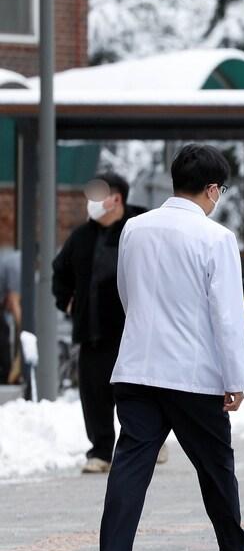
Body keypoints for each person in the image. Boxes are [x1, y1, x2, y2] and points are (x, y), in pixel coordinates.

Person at [92, 145, 244, 551]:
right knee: (215, 466)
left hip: (138, 366)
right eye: (219, 190)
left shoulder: (134, 230)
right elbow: (226, 315)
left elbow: (127, 293)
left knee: (131, 464)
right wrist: (235, 380)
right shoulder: (216, 238)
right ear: (210, 189)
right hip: (192, 373)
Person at [52, 173, 151, 473]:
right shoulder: (81, 236)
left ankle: (147, 444)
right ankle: (101, 450)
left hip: (131, 333)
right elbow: (60, 273)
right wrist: (67, 302)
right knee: (93, 395)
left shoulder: (140, 228)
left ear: (116, 198)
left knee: (136, 394)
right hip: (91, 332)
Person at [0, 247, 20, 384]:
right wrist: (24, 326)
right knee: (3, 335)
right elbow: (13, 300)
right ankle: (6, 377)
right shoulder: (18, 264)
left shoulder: (15, 259)